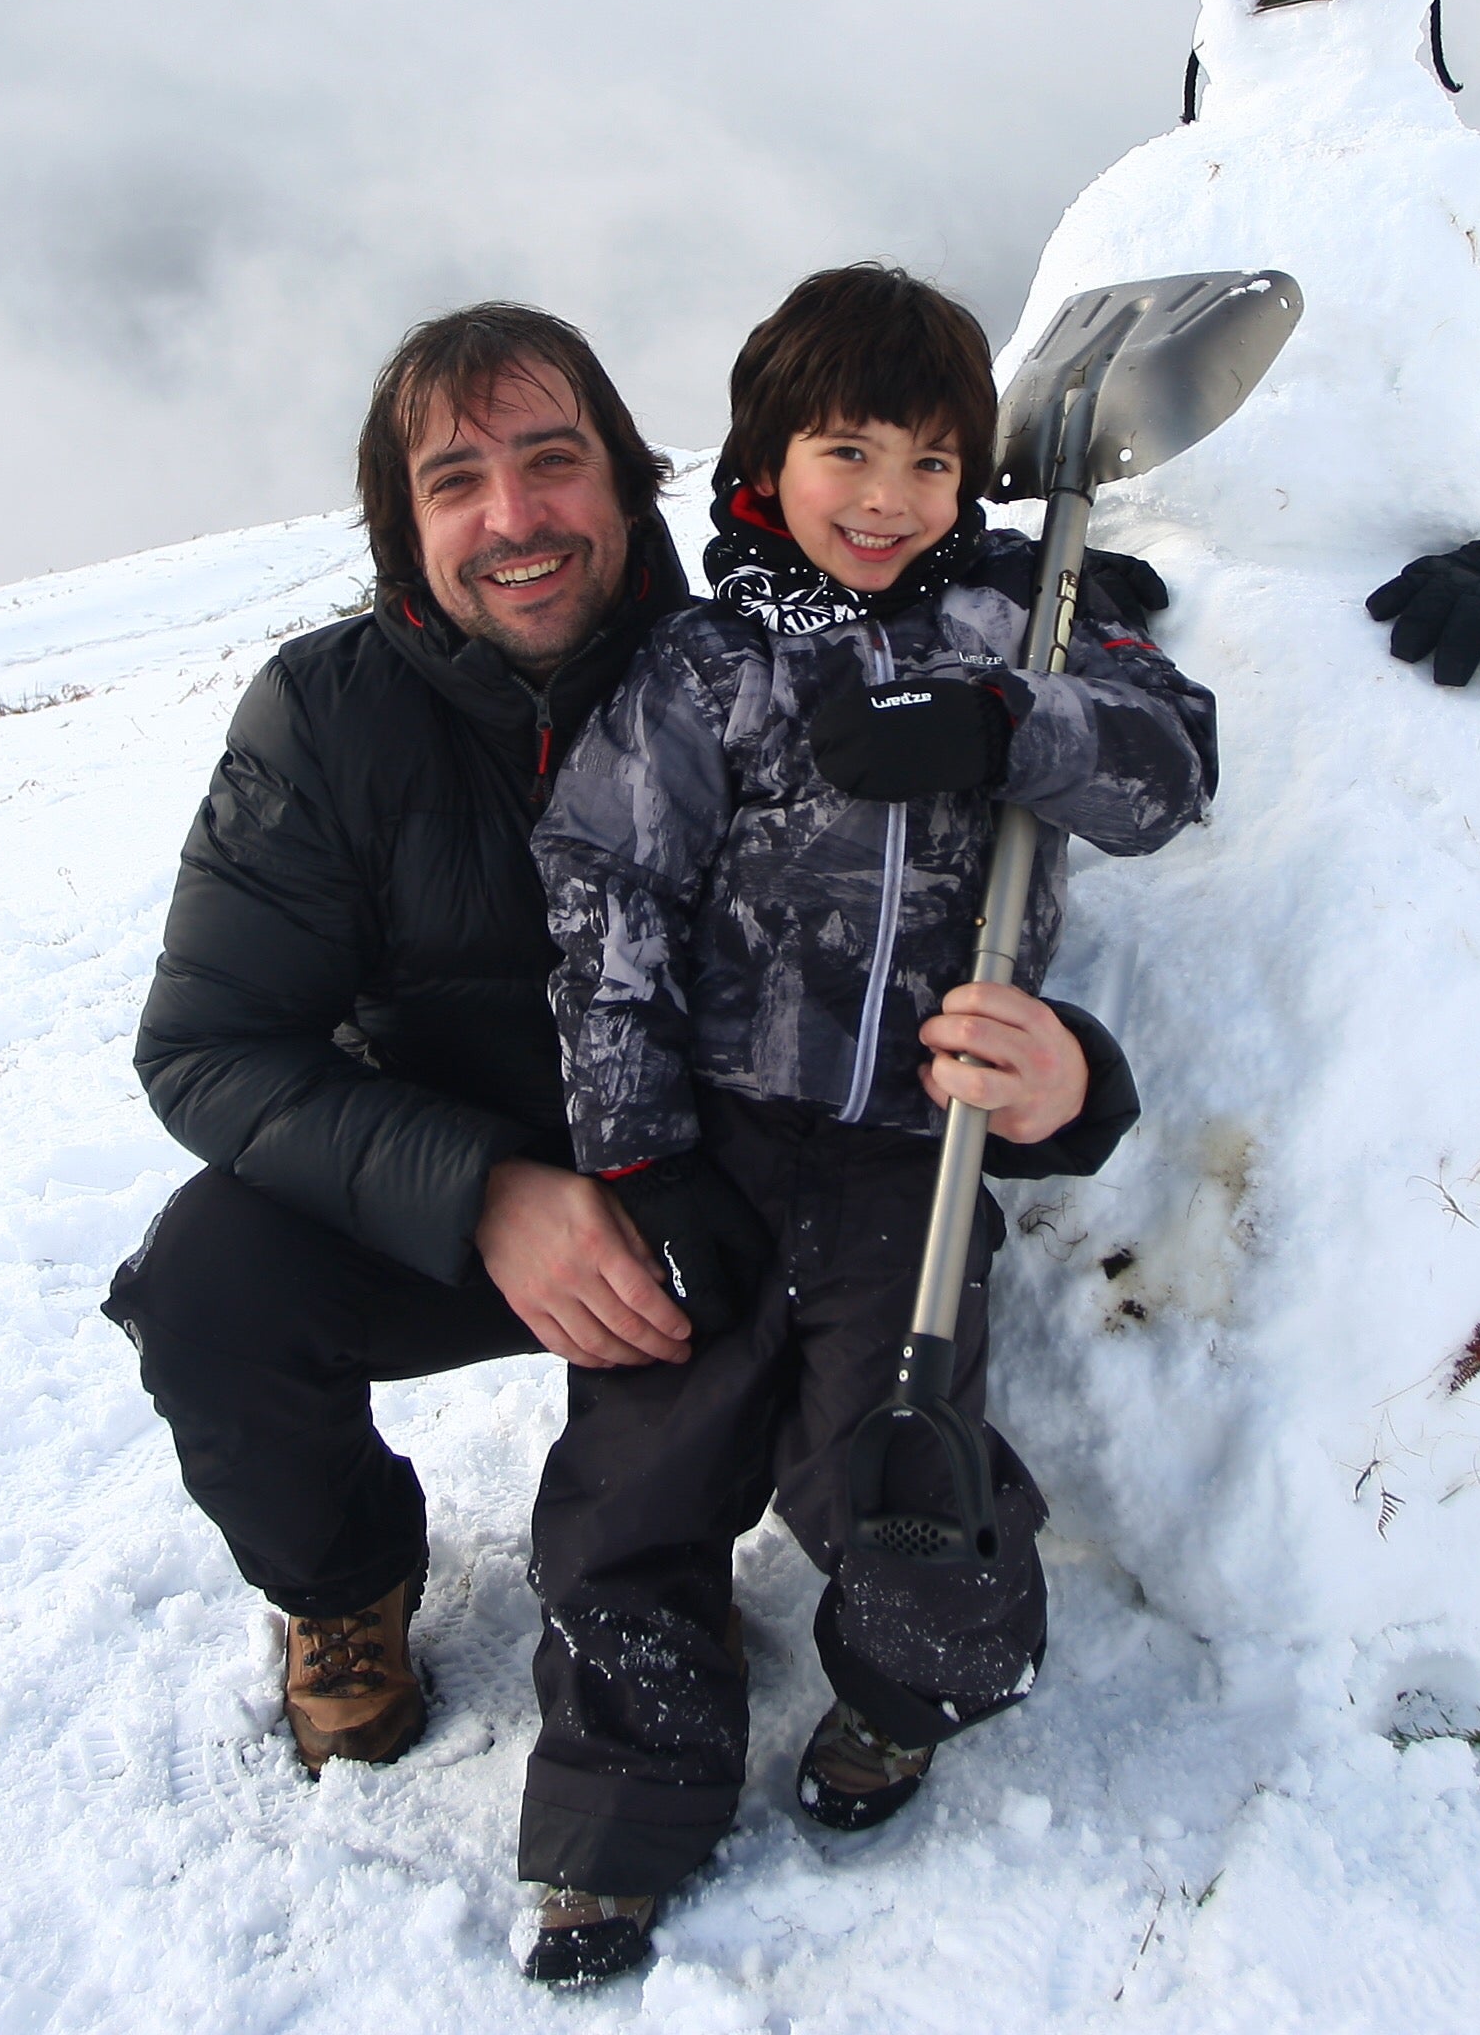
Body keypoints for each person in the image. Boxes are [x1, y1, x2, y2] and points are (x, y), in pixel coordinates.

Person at [105, 304, 1138, 1786]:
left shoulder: (754, 651)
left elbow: (905, 927)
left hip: (725, 1184)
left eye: (552, 461)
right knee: (210, 1285)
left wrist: (1074, 1087)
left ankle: (744, 1585)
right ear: (402, 524)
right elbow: (207, 1050)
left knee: (732, 1449)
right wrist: (484, 1190)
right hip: (474, 1196)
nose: (514, 518)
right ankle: (342, 1587)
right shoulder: (325, 719)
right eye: (457, 482)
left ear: (629, 474)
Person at [512, 266, 1217, 1983]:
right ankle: (620, 1809)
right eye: (847, 452)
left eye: (930, 460)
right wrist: (639, 1154)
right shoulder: (710, 662)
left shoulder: (1022, 624)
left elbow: (1170, 764)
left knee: (894, 1471)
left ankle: (908, 1694)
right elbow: (606, 887)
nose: (890, 498)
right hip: (720, 1142)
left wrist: (1004, 722)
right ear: (768, 460)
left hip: (920, 1153)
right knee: (638, 1474)